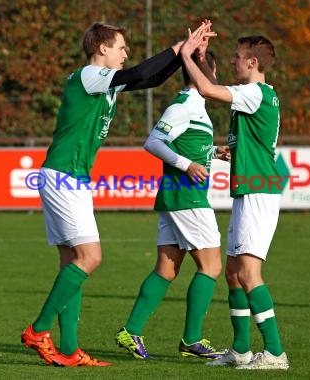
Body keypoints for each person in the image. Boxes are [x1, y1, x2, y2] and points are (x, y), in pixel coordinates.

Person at [20, 21, 217, 368]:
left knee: (73, 262)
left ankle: (69, 350)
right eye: (121, 47)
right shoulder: (89, 75)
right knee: (90, 258)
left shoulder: (103, 82)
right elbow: (142, 71)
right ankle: (38, 330)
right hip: (65, 175)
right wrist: (177, 50)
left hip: (68, 176)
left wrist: (183, 52)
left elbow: (150, 79)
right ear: (101, 49)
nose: (126, 53)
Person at [180, 26, 289, 370]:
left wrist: (186, 55)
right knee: (232, 273)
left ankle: (274, 352)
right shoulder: (254, 92)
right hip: (249, 190)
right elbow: (214, 85)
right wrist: (201, 58)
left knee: (248, 273)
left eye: (238, 57)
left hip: (259, 192)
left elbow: (208, 89)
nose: (232, 61)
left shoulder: (254, 93)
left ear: (253, 62)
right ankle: (241, 349)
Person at [115, 42, 230, 360]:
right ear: (206, 72)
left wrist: (214, 154)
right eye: (214, 71)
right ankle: (192, 340)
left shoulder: (197, 109)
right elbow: (153, 141)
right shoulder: (184, 106)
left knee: (166, 268)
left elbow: (186, 145)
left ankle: (130, 332)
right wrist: (186, 164)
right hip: (186, 197)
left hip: (176, 198)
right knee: (211, 266)